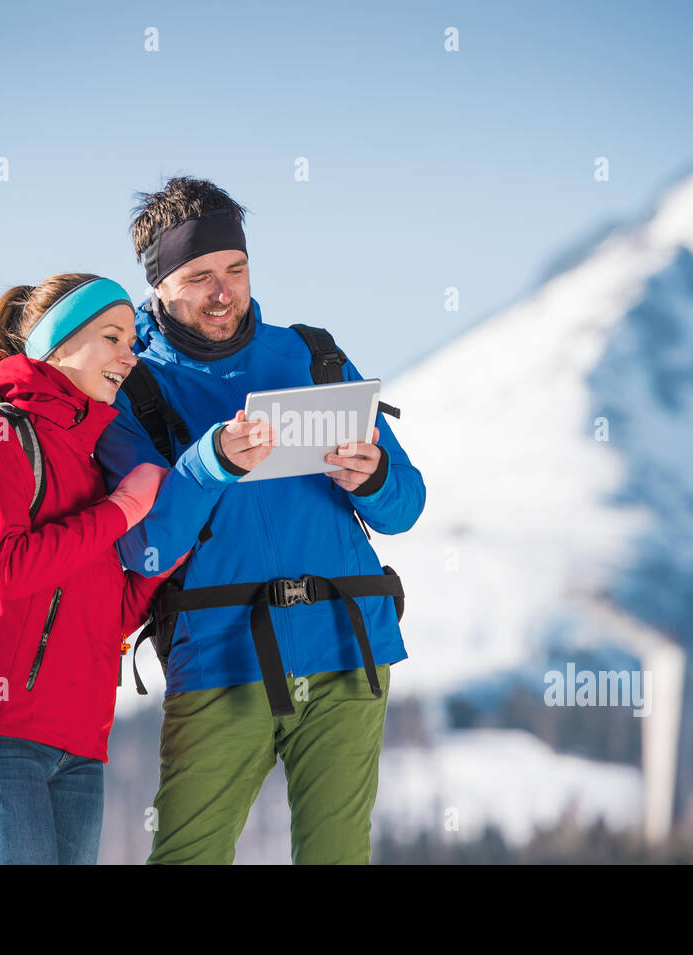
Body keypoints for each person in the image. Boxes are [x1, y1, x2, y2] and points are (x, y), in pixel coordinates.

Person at [94, 178, 426, 864]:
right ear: (158, 286)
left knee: (336, 856)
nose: (224, 291)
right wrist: (209, 463)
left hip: (347, 646)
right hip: (220, 656)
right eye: (201, 276)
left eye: (237, 270)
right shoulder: (132, 387)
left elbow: (407, 506)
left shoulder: (312, 354)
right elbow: (146, 548)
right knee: (187, 855)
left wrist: (375, 478)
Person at [0, 273, 182, 864]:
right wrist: (122, 510)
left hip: (80, 743)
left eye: (131, 341)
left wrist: (171, 543)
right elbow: (8, 569)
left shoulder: (89, 461)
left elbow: (108, 614)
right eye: (113, 337)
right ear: (55, 344)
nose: (130, 354)